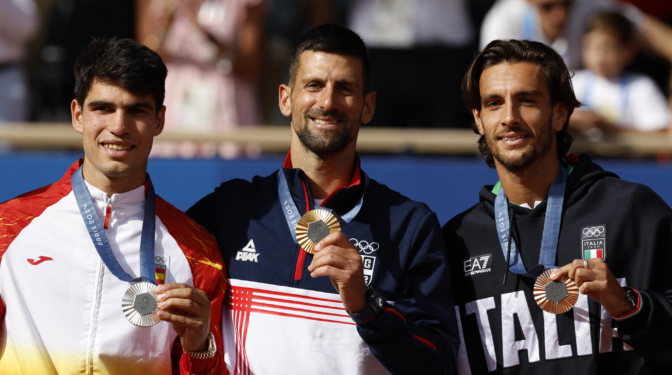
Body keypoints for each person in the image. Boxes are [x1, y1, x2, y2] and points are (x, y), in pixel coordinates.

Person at [187, 24, 459, 374]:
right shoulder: (231, 208)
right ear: (285, 98)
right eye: (314, 85)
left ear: (368, 106)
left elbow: (440, 365)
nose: (328, 102)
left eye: (345, 89)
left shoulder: (410, 226)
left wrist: (367, 308)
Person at [442, 39, 672, 374]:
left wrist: (628, 305)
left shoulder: (632, 211)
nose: (509, 118)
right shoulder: (457, 241)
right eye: (494, 103)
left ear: (559, 114)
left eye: (527, 101)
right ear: (478, 119)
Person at [0, 38, 227, 374]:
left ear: (159, 121)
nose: (119, 127)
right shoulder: (8, 226)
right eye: (103, 108)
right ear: (78, 115)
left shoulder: (198, 252)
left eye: (137, 110)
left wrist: (199, 346)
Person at [571, 11, 670, 135]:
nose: (598, 56)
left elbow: (660, 130)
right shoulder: (575, 82)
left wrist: (615, 130)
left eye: (606, 47)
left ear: (629, 51)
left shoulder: (641, 86)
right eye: (590, 46)